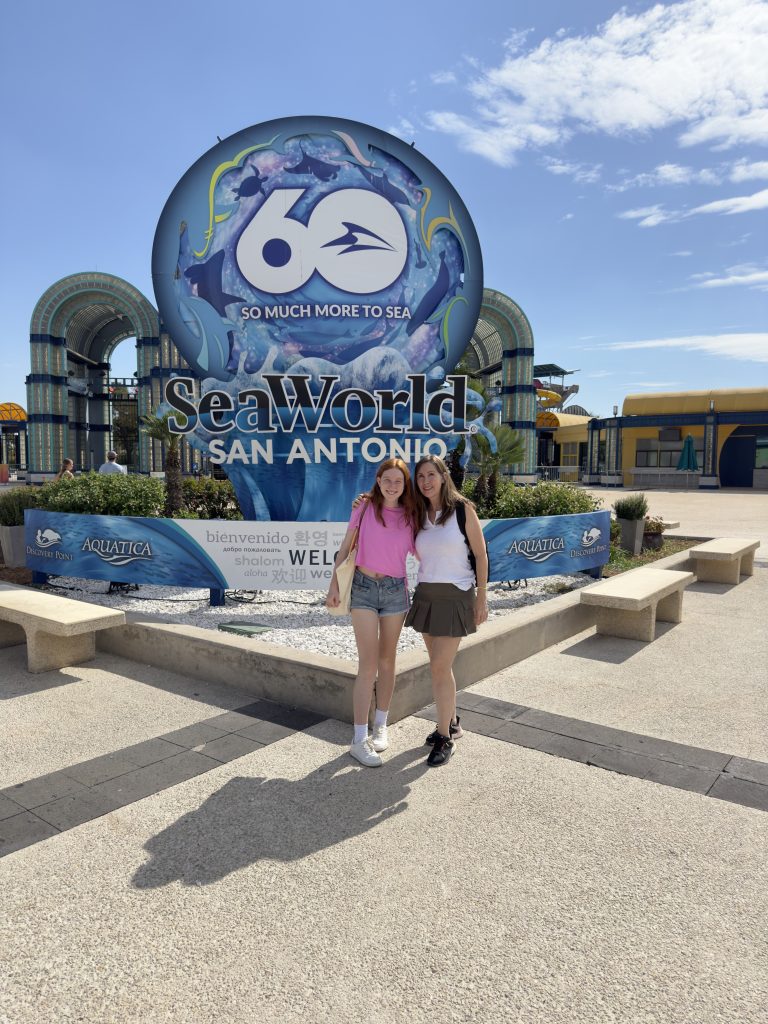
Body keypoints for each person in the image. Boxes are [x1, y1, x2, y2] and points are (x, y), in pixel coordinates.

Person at [326, 459, 419, 767]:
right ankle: (358, 739)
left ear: (405, 486)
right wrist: (334, 584)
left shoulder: (411, 515)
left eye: (399, 481)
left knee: (387, 660)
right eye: (387, 479)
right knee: (367, 665)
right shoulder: (363, 507)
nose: (393, 485)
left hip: (395, 592)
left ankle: (381, 726)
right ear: (378, 481)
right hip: (364, 588)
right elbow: (345, 547)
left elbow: (423, 552)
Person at [405, 454, 489, 767]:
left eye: (431, 474)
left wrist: (482, 596)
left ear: (443, 476)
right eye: (420, 476)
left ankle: (445, 738)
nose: (425, 481)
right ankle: (451, 720)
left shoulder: (462, 509)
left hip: (457, 596)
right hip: (426, 594)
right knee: (439, 665)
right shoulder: (418, 512)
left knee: (439, 667)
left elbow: (480, 555)